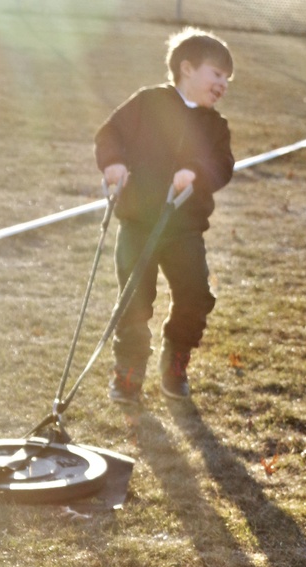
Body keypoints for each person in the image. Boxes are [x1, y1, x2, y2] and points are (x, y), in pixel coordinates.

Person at [94, 27, 235, 405]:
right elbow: (110, 134)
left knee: (195, 294)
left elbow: (222, 164)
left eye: (227, 79)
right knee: (134, 299)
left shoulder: (215, 126)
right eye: (216, 74)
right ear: (187, 69)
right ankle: (128, 372)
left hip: (184, 228)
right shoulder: (148, 103)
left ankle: (175, 361)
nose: (223, 84)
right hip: (138, 222)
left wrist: (197, 172)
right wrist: (114, 164)